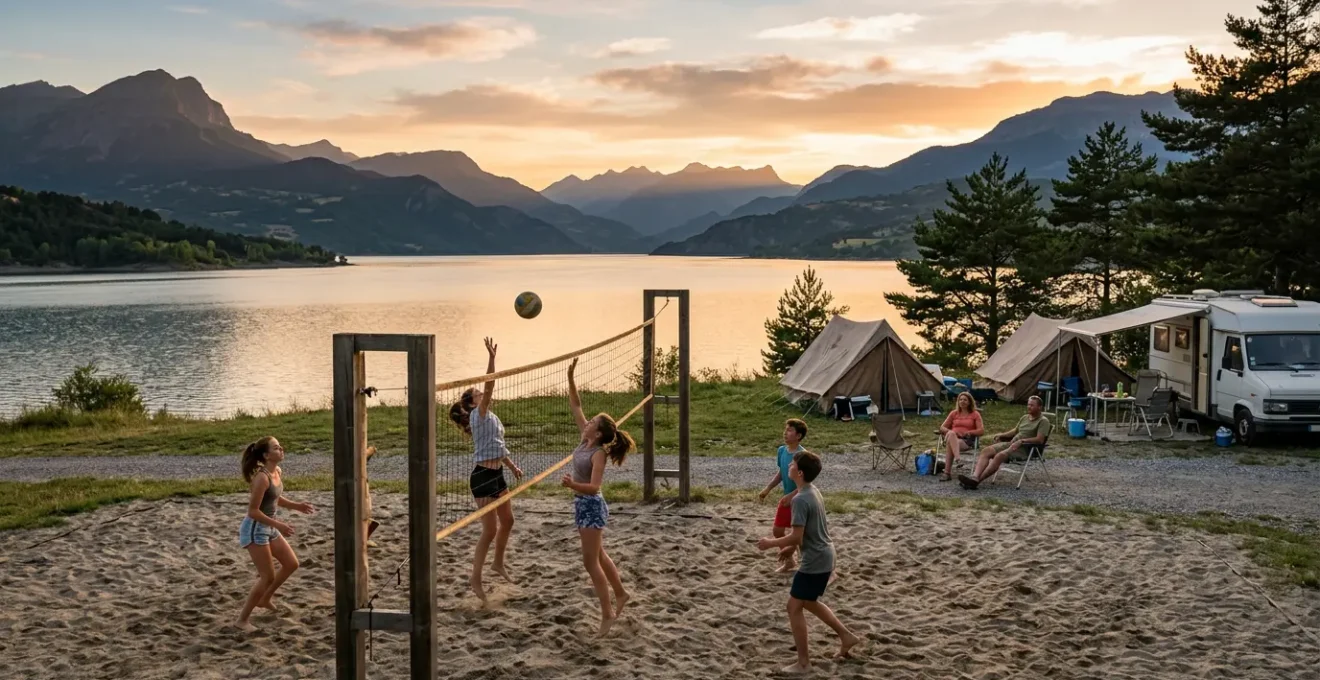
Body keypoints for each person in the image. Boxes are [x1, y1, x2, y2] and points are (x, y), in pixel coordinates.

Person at [757, 451, 862, 673]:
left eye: (793, 464)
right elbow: (803, 533)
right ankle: (846, 636)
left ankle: (803, 663)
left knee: (793, 606)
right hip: (825, 555)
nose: (789, 465)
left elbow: (797, 535)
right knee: (808, 602)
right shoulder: (811, 490)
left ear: (800, 472)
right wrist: (790, 547)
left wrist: (771, 543)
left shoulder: (801, 499)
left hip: (815, 560)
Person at [560, 357, 633, 638]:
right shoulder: (584, 440)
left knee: (590, 563)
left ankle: (607, 615)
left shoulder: (598, 453)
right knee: (599, 555)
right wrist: (570, 376)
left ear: (599, 432)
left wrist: (572, 485)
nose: (587, 421)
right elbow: (576, 406)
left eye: (592, 422)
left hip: (591, 505)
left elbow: (594, 487)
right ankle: (622, 593)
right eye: (589, 421)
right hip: (582, 506)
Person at [449, 337, 524, 604]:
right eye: (478, 394)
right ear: (471, 403)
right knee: (489, 530)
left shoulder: (490, 417)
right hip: (481, 477)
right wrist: (492, 358)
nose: (483, 394)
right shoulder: (477, 415)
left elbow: (498, 446)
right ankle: (475, 578)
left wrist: (512, 466)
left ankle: (498, 564)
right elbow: (490, 384)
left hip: (498, 474)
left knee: (509, 521)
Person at [236, 436, 315, 631]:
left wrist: (297, 506)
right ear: (266, 455)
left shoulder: (276, 472)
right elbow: (253, 511)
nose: (281, 449)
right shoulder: (261, 478)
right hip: (255, 530)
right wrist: (279, 525)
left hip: (268, 527)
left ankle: (265, 598)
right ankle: (242, 620)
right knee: (267, 576)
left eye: (280, 447)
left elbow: (275, 498)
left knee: (291, 564)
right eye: (276, 448)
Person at [958, 395, 1052, 490]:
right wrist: (1002, 435)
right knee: (986, 450)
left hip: (1026, 448)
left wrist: (1022, 441)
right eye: (1028, 405)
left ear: (1039, 407)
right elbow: (1015, 431)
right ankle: (975, 477)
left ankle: (976, 482)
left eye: (1032, 405)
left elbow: (1039, 439)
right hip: (1012, 444)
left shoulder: (1043, 421)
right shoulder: (1025, 417)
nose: (1029, 407)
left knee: (999, 456)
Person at [758, 418, 808, 572]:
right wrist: (768, 489)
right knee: (778, 530)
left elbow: (805, 483)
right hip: (786, 497)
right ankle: (790, 561)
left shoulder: (803, 455)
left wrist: (792, 495)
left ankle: (804, 562)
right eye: (785, 429)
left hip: (800, 498)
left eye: (789, 430)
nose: (785, 433)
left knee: (800, 534)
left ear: (798, 436)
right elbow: (781, 473)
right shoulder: (781, 451)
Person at [938, 392, 985, 481]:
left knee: (950, 443)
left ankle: (947, 473)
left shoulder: (975, 414)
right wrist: (951, 432)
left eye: (965, 400)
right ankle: (958, 459)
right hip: (952, 437)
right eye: (960, 399)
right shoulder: (954, 413)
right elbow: (942, 427)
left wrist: (970, 432)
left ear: (969, 402)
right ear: (958, 402)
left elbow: (981, 431)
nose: (962, 401)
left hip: (966, 440)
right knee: (951, 435)